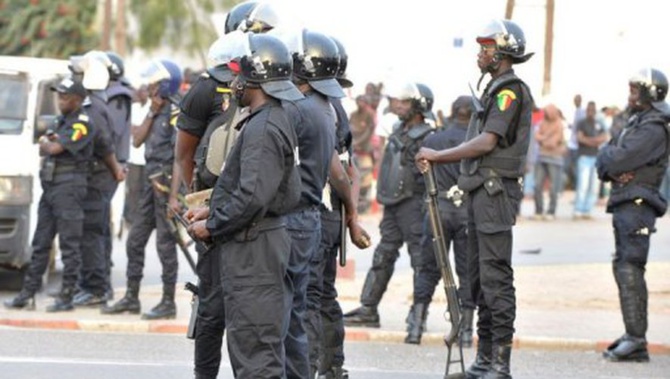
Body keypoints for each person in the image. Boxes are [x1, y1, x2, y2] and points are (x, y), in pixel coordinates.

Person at [416, 19, 534, 378]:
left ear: (501, 53)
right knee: (480, 280)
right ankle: (484, 361)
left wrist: (437, 156)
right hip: (480, 193)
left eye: (486, 48)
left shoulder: (508, 91)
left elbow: (487, 142)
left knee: (496, 279)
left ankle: (499, 363)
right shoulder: (494, 88)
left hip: (496, 194)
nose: (480, 54)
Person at [186, 33, 303, 378]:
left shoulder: (264, 127)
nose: (234, 83)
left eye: (239, 75)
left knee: (256, 355)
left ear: (256, 78)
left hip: (255, 250)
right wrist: (212, 209)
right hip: (258, 242)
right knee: (253, 348)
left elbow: (253, 197)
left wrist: (213, 225)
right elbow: (253, 187)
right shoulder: (267, 119)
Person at [343, 82, 435, 332]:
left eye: (404, 103)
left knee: (420, 260)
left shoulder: (428, 135)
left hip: (414, 205)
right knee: (383, 256)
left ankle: (419, 314)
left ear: (418, 107)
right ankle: (368, 308)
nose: (397, 105)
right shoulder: (397, 129)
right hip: (394, 206)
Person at [597, 68, 670, 363]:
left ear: (650, 93)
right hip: (625, 200)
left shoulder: (654, 127)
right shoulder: (638, 121)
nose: (630, 95)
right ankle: (632, 335)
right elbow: (608, 159)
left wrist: (613, 159)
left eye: (635, 89)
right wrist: (610, 158)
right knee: (623, 266)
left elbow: (620, 157)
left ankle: (637, 340)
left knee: (630, 267)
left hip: (638, 203)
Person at [101, 59, 184, 320]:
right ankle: (131, 297)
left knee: (165, 246)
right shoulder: (156, 110)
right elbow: (136, 141)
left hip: (166, 184)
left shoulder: (176, 112)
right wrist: (151, 111)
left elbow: (180, 157)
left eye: (153, 84)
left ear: (165, 85)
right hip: (149, 184)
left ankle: (168, 302)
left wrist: (173, 197)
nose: (148, 87)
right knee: (135, 240)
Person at [4, 78, 95, 311]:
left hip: (69, 188)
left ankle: (66, 296)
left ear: (77, 100)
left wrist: (48, 142)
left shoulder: (82, 124)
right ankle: (28, 293)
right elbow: (45, 142)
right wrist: (47, 141)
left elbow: (53, 147)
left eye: (65, 97)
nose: (60, 100)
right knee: (40, 243)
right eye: (59, 96)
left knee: (69, 244)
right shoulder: (60, 120)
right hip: (52, 187)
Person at [314, 36, 370, 379]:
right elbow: (352, 171)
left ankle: (318, 365)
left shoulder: (323, 107)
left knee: (312, 293)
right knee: (322, 292)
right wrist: (352, 217)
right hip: (332, 212)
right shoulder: (333, 105)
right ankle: (332, 366)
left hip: (322, 212)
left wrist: (351, 217)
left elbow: (341, 170)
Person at [413, 95, 476, 346]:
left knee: (428, 268)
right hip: (467, 211)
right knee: (467, 272)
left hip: (438, 209)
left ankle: (416, 326)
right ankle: (466, 333)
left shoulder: (433, 140)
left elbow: (420, 177)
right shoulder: (475, 142)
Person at [68, 51, 126, 307]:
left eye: (78, 74)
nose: (73, 77)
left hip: (98, 178)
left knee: (92, 234)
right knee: (95, 233)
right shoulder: (92, 104)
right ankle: (96, 286)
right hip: (97, 178)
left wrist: (114, 170)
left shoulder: (94, 107)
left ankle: (96, 289)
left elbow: (104, 146)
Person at [573, 101, 609, 219]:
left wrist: (589, 140)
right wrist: (594, 141)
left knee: (593, 186)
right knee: (582, 185)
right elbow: (580, 138)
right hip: (584, 156)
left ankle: (587, 210)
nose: (590, 112)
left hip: (595, 156)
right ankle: (578, 209)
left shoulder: (599, 123)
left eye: (592, 110)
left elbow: (605, 137)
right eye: (589, 110)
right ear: (586, 110)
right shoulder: (581, 122)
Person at [532, 103, 566, 220]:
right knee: (537, 185)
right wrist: (546, 137)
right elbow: (536, 136)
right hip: (541, 158)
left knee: (553, 188)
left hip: (555, 159)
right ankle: (539, 211)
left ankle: (551, 211)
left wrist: (543, 138)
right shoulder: (542, 122)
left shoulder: (559, 124)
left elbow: (552, 143)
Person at [349, 95, 377, 214]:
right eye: (358, 100)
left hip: (365, 150)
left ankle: (365, 206)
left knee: (366, 178)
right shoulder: (353, 115)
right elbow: (350, 129)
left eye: (362, 101)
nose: (360, 103)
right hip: (354, 149)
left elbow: (369, 132)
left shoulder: (370, 115)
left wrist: (358, 143)